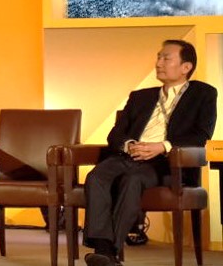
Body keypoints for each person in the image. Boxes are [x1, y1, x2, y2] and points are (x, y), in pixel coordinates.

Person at [82, 39, 217, 266]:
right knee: (96, 177)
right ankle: (105, 252)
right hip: (128, 155)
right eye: (158, 57)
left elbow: (201, 135)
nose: (158, 63)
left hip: (166, 163)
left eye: (166, 58)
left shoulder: (203, 94)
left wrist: (162, 146)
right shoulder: (140, 97)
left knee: (132, 180)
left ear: (186, 67)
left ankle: (107, 251)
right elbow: (116, 134)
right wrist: (129, 145)